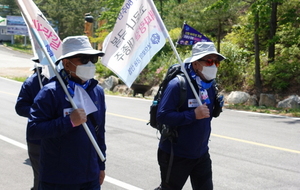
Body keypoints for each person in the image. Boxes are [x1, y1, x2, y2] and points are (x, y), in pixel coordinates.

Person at [27, 35, 106, 190]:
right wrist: (68, 122)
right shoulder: (50, 92)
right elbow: (33, 130)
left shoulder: (97, 91)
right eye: (83, 59)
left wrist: (101, 165)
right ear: (66, 63)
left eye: (93, 59)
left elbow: (99, 132)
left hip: (89, 177)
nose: (89, 64)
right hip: (58, 179)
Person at [155, 41, 226, 190]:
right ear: (195, 64)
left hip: (201, 154)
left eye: (216, 63)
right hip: (176, 154)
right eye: (209, 61)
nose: (213, 66)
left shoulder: (210, 86)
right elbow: (162, 115)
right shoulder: (178, 85)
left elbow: (208, 116)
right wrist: (192, 115)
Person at [15, 57, 49, 190]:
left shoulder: (63, 81)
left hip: (59, 139)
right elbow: (20, 107)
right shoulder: (31, 82)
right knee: (41, 177)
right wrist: (39, 111)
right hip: (38, 140)